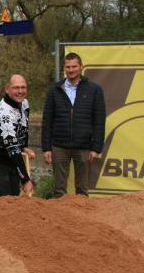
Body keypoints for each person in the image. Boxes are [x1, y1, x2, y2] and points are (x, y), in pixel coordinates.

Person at [41, 52, 106, 197]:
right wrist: (46, 148)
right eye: (68, 67)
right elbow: (47, 120)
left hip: (84, 146)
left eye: (74, 66)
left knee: (82, 190)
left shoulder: (94, 90)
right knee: (59, 191)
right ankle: (60, 211)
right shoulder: (54, 90)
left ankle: (82, 212)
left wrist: (96, 147)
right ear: (64, 68)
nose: (71, 70)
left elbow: (99, 120)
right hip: (59, 146)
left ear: (81, 67)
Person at [0, 74, 35, 197]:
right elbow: (13, 151)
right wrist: (26, 180)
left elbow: (23, 126)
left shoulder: (24, 103)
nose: (20, 91)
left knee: (14, 195)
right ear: (7, 89)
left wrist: (24, 146)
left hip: (8, 156)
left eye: (23, 87)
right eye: (16, 88)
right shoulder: (4, 114)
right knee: (4, 198)